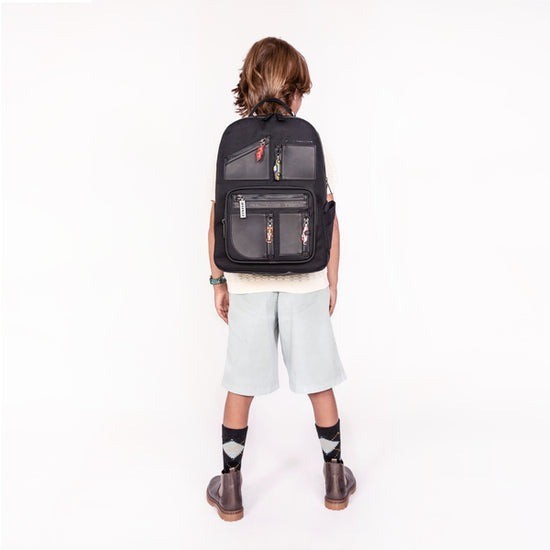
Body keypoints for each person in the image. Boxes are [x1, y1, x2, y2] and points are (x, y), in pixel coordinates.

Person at [206, 37, 356, 521]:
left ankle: (230, 487)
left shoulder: (234, 141)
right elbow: (330, 219)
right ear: (293, 92)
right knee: (319, 381)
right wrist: (331, 280)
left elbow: (216, 221)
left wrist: (218, 281)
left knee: (241, 384)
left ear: (251, 87)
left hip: (246, 281)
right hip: (305, 281)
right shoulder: (307, 140)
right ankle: (335, 477)